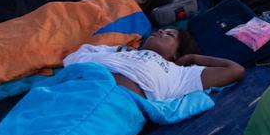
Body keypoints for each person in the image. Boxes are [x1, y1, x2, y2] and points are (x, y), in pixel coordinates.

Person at [64, 28, 244, 99]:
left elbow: (235, 70)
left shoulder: (179, 74)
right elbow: (73, 58)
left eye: (169, 35)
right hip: (69, 90)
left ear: (176, 54)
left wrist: (191, 59)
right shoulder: (119, 51)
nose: (161, 32)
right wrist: (115, 51)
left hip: (109, 104)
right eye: (161, 29)